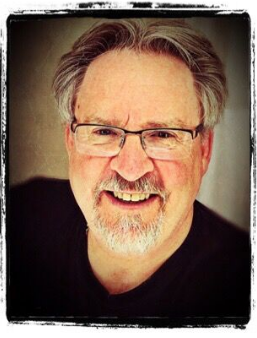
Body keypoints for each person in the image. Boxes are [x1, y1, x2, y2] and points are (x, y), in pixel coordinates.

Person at [8, 19, 250, 325]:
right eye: (104, 131)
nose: (131, 169)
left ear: (204, 150)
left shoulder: (243, 283)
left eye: (163, 134)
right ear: (70, 140)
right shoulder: (19, 217)